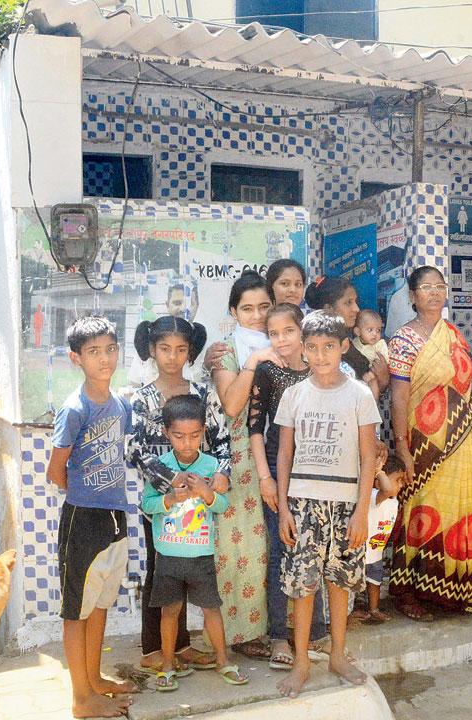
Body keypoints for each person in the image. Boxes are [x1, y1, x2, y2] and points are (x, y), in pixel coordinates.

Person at [273, 311, 380, 698]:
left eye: (329, 347)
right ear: (303, 350)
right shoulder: (294, 394)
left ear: (344, 348)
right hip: (303, 503)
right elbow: (284, 454)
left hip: (346, 504)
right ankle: (302, 661)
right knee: (303, 587)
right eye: (313, 348)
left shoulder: (360, 394)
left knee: (339, 584)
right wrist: (284, 508)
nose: (320, 356)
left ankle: (337, 654)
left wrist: (361, 512)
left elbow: (368, 457)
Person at [387, 266, 472, 620]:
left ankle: (455, 591)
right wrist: (403, 448)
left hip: (461, 443)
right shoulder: (404, 340)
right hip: (424, 446)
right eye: (426, 287)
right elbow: (399, 398)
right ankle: (410, 593)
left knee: (461, 509)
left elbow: (465, 383)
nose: (434, 293)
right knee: (422, 512)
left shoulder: (453, 334)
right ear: (412, 296)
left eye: (440, 286)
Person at [126, 316, 231, 675]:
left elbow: (223, 441)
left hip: (200, 500)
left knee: (189, 566)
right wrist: (173, 482)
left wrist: (220, 476)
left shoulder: (203, 394)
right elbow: (135, 450)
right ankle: (153, 648)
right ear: (152, 350)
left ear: (190, 352)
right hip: (161, 498)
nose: (173, 357)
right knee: (160, 569)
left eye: (181, 349)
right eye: (165, 349)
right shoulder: (140, 399)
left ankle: (181, 645)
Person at [46, 316, 138, 719]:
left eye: (110, 349)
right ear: (76, 358)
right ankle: (81, 699)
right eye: (94, 352)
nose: (104, 359)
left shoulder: (120, 404)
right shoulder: (73, 409)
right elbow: (55, 471)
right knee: (76, 611)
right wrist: (86, 492)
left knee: (100, 603)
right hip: (83, 518)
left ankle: (95, 679)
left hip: (116, 517)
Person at [140, 395, 250, 691]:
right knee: (169, 612)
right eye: (178, 436)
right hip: (168, 556)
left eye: (194, 436)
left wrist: (206, 492)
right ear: (166, 433)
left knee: (212, 610)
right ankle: (166, 665)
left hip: (201, 556)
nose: (187, 443)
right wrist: (170, 498)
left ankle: (224, 660)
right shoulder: (159, 467)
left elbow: (222, 506)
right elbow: (146, 505)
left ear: (203, 432)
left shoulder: (212, 465)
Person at [247, 303, 328, 670]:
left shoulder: (321, 370)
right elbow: (255, 428)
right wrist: (265, 477)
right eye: (273, 334)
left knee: (316, 549)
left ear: (303, 332)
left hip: (316, 473)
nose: (281, 341)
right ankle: (279, 633)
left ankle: (315, 632)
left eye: (288, 332)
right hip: (278, 475)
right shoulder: (267, 372)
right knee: (282, 552)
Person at [203, 270, 279, 656]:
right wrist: (253, 362)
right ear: (233, 311)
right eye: (247, 308)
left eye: (263, 306)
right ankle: (243, 633)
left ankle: (282, 627)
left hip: (282, 450)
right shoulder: (228, 351)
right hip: (241, 457)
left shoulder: (284, 341)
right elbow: (232, 404)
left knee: (275, 543)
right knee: (242, 544)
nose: (256, 315)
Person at [305, 276, 389, 395]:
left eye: (355, 302)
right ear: (329, 308)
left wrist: (382, 380)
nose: (356, 309)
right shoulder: (316, 351)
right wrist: (383, 379)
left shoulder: (355, 344)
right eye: (348, 303)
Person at [349, 452, 403, 626]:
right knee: (350, 584)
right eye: (397, 480)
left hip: (376, 552)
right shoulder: (374, 496)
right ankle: (346, 613)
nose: (401, 485)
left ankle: (374, 609)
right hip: (359, 551)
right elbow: (386, 489)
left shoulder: (393, 502)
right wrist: (378, 471)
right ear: (378, 482)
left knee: (375, 581)